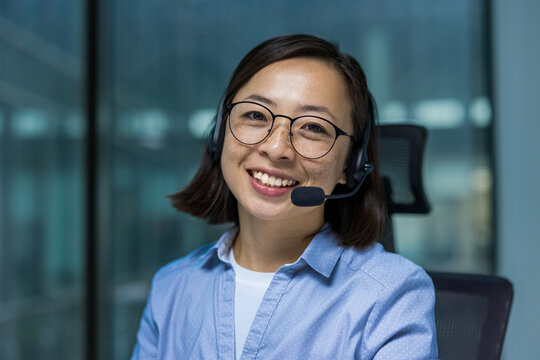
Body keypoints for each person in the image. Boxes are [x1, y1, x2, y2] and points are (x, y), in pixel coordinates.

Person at [131, 34, 438, 359]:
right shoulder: (173, 287)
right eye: (256, 115)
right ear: (221, 134)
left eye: (314, 128)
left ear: (350, 165)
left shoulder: (391, 294)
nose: (276, 149)